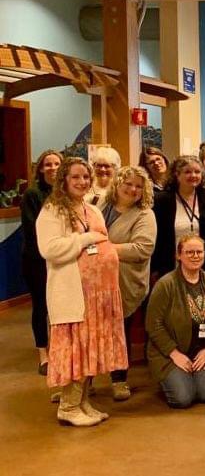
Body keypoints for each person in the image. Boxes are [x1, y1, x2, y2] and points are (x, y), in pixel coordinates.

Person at [37, 157, 126, 426]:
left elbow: (105, 241)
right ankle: (68, 405)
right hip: (72, 294)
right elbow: (50, 249)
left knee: (89, 349)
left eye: (85, 177)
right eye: (75, 177)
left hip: (97, 296)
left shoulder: (91, 209)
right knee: (76, 349)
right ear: (63, 179)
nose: (82, 182)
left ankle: (83, 401)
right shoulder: (52, 210)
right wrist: (84, 239)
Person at [146, 235, 205, 408]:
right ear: (178, 255)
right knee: (183, 399)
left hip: (202, 352)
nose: (195, 256)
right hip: (171, 353)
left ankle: (192, 378)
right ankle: (174, 379)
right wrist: (174, 354)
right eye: (189, 252)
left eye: (199, 252)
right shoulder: (165, 285)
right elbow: (153, 324)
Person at [101, 166, 157, 401]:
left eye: (138, 186)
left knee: (119, 332)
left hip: (125, 282)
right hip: (95, 282)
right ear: (118, 183)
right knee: (93, 331)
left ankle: (119, 379)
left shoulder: (145, 215)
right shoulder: (99, 205)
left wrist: (102, 249)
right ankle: (84, 381)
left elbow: (142, 249)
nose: (133, 189)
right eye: (129, 184)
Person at [21, 149, 62, 375]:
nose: (53, 168)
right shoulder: (33, 195)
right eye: (48, 164)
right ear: (41, 168)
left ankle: (59, 349)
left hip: (62, 261)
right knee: (41, 307)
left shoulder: (66, 193)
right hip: (37, 261)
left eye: (57, 164)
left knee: (59, 308)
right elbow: (32, 231)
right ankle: (43, 354)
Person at [153, 156, 205, 279]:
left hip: (203, 267)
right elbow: (157, 238)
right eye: (187, 172)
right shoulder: (162, 200)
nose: (193, 175)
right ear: (177, 175)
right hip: (170, 266)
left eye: (197, 172)